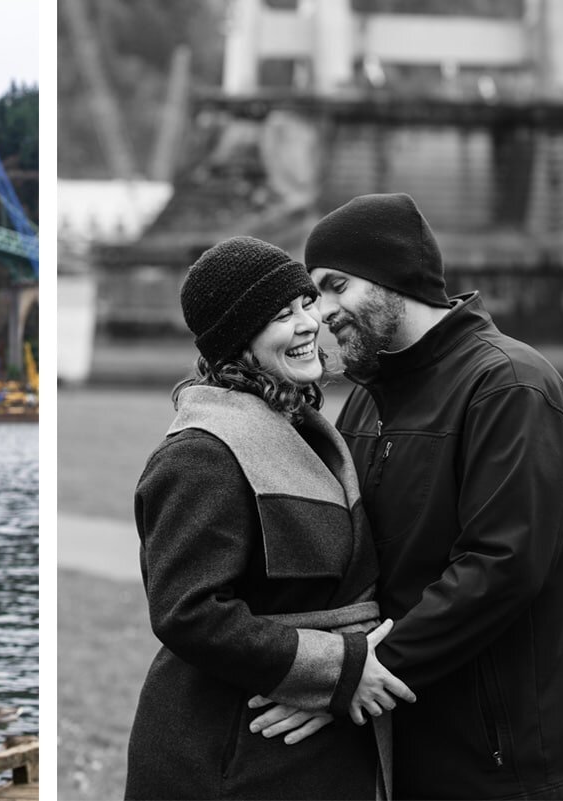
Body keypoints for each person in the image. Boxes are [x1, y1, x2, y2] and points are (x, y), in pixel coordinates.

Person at [290, 192, 563, 799]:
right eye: (313, 295)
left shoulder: (510, 384)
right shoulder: (366, 398)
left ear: (394, 277)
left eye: (337, 285)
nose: (321, 314)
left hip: (507, 757)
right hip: (404, 740)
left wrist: (364, 675)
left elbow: (502, 564)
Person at [125, 236, 415, 800]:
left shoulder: (295, 424)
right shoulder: (201, 453)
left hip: (288, 753)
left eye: (305, 303)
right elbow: (189, 612)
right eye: (281, 316)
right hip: (231, 753)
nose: (309, 322)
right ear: (239, 342)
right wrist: (339, 668)